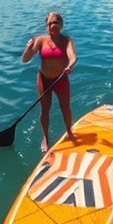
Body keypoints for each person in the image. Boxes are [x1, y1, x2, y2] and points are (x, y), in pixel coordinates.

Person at [21, 11, 77, 152]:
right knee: (45, 110)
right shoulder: (40, 40)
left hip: (61, 79)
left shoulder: (67, 41)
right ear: (47, 26)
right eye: (50, 23)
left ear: (61, 25)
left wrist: (70, 66)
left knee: (66, 108)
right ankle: (45, 138)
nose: (53, 25)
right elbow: (25, 59)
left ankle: (70, 132)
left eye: (56, 22)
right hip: (44, 79)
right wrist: (27, 49)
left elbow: (73, 57)